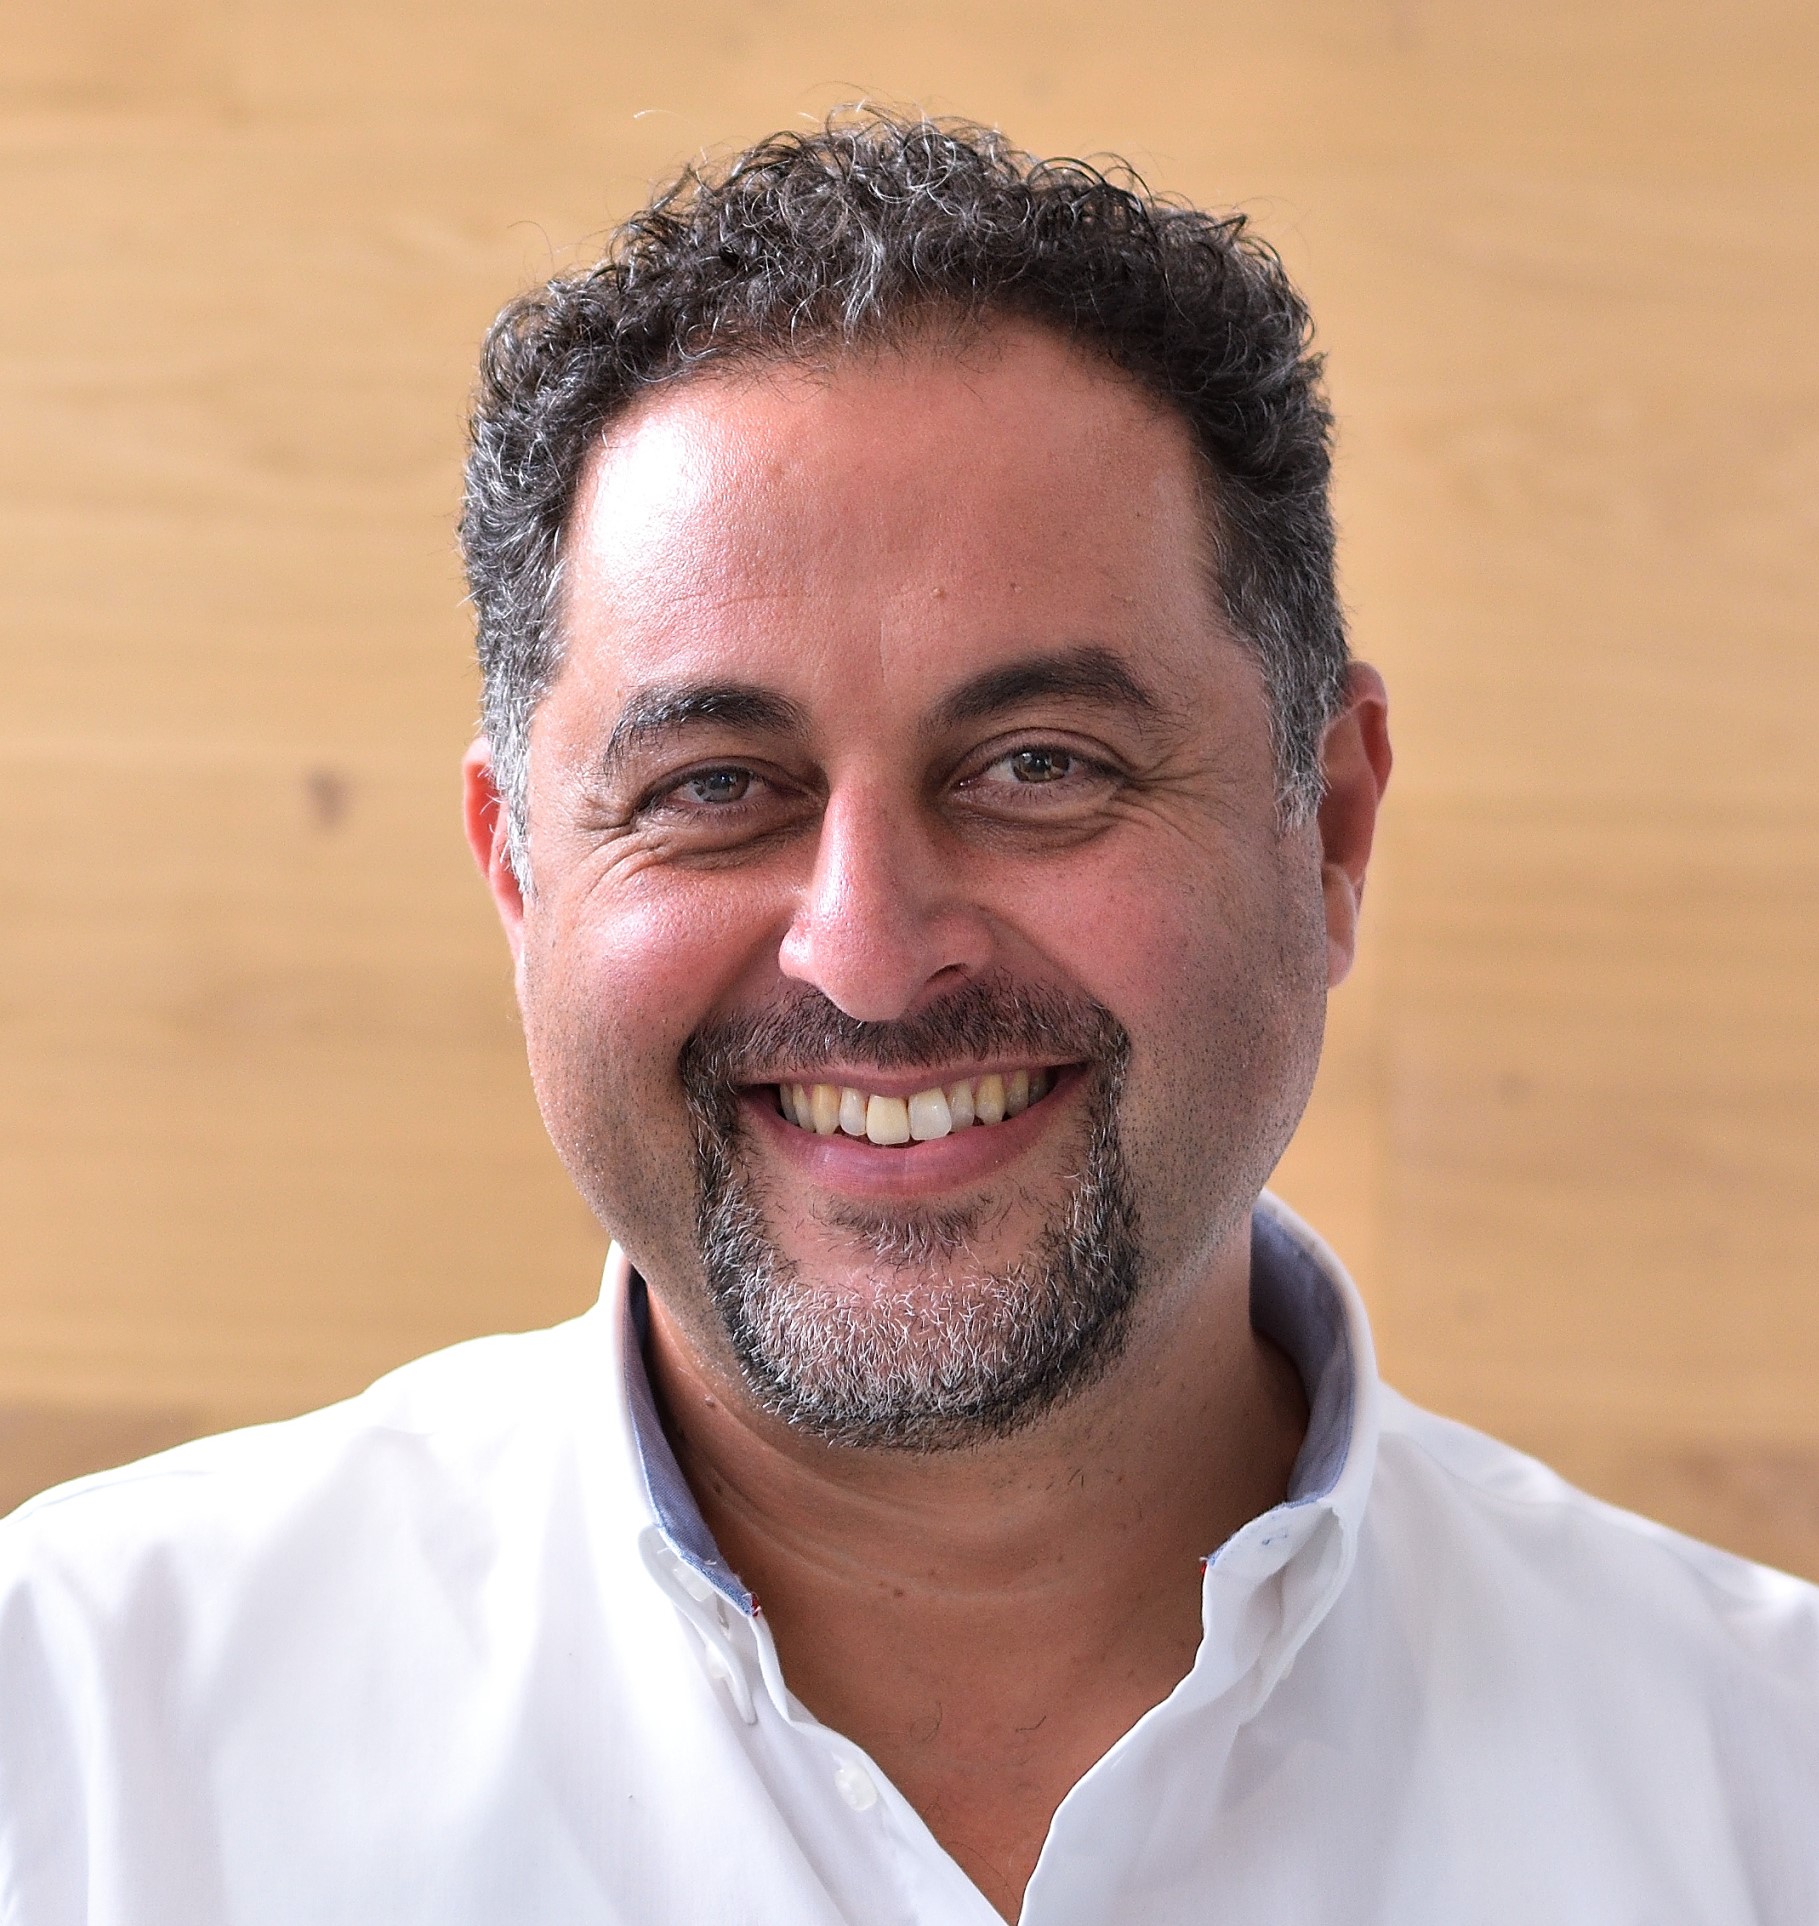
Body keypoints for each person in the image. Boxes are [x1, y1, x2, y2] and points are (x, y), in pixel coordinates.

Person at [2, 111, 1815, 1926]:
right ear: (521, 878)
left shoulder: (1768, 1784)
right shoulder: (75, 1747)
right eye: (716, 787)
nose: (867, 955)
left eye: (1041, 766)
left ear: (1327, 824)